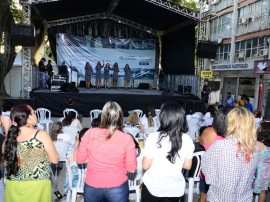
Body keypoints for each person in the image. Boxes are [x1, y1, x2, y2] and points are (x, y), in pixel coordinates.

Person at [76, 101, 137, 202]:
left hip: (93, 186)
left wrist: (94, 159)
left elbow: (80, 159)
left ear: (103, 116)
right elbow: (131, 169)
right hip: (117, 187)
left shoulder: (89, 133)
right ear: (120, 117)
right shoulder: (127, 138)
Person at [201, 107, 259, 202]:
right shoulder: (255, 147)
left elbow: (208, 177)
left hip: (220, 198)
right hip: (244, 198)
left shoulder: (219, 145)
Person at [3, 104, 59, 201]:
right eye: (33, 112)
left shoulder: (9, 139)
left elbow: (5, 162)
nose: (35, 113)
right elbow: (54, 160)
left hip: (13, 185)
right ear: (29, 118)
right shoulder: (41, 135)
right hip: (37, 185)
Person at [141, 101, 194, 202]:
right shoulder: (187, 139)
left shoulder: (153, 137)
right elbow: (187, 166)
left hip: (154, 187)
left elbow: (145, 166)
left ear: (163, 117)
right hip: (175, 189)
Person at [197, 106, 229, 202]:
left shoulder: (209, 132)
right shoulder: (235, 135)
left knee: (203, 197)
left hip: (209, 171)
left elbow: (201, 142)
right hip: (227, 173)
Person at [253, 121, 270, 202]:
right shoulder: (268, 145)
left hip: (257, 173)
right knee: (263, 193)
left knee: (249, 192)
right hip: (266, 173)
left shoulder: (258, 144)